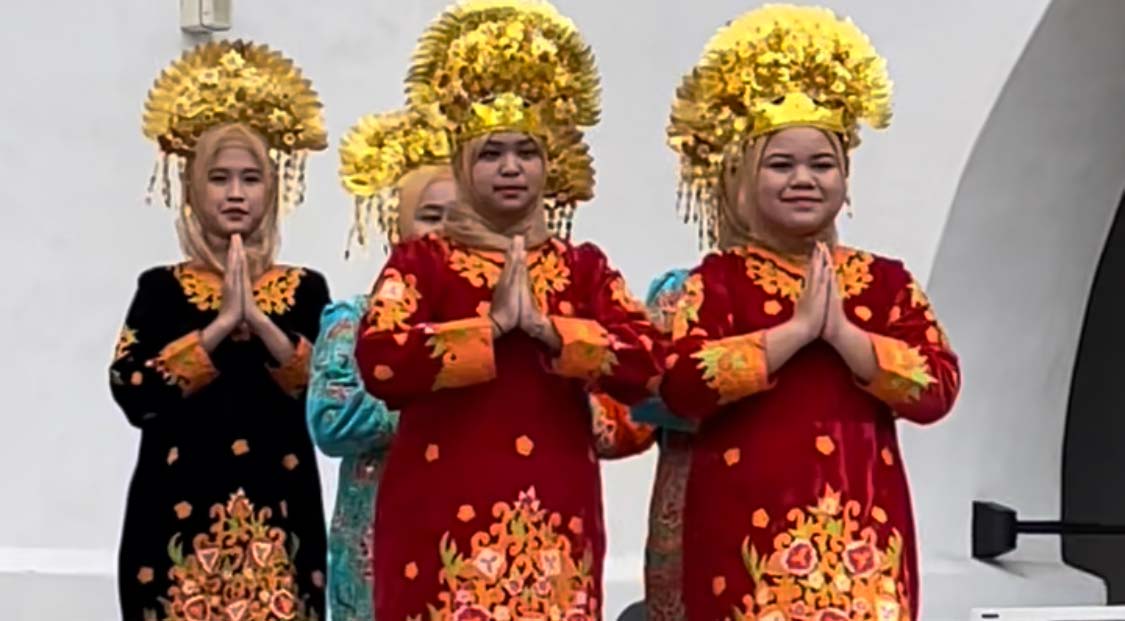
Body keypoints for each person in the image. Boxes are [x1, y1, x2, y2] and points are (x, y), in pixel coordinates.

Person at [354, 1, 664, 618]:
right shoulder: (424, 263)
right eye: (492, 153)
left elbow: (651, 362)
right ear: (464, 164)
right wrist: (489, 330)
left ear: (550, 165)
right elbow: (379, 361)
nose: (511, 168)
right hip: (438, 512)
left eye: (527, 152)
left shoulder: (583, 269)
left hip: (554, 511)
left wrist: (553, 333)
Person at [659, 6, 961, 620]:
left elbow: (938, 389)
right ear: (745, 175)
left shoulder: (885, 282)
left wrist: (848, 339)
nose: (804, 180)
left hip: (865, 541)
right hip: (742, 535)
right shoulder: (719, 283)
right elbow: (680, 385)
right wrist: (792, 335)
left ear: (846, 177)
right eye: (781, 165)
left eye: (821, 165)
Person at [110, 40, 330, 621]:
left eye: (251, 179)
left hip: (281, 514)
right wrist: (216, 330)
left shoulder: (306, 289)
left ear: (272, 190)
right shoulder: (160, 288)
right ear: (191, 190)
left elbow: (327, 394)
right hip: (175, 509)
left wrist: (261, 324)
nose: (235, 194)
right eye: (219, 179)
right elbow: (134, 391)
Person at [308, 106, 455, 621]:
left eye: (459, 218)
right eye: (429, 216)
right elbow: (330, 422)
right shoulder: (354, 320)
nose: (444, 233)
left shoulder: (498, 325)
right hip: (376, 535)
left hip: (467, 537)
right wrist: (433, 386)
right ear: (399, 224)